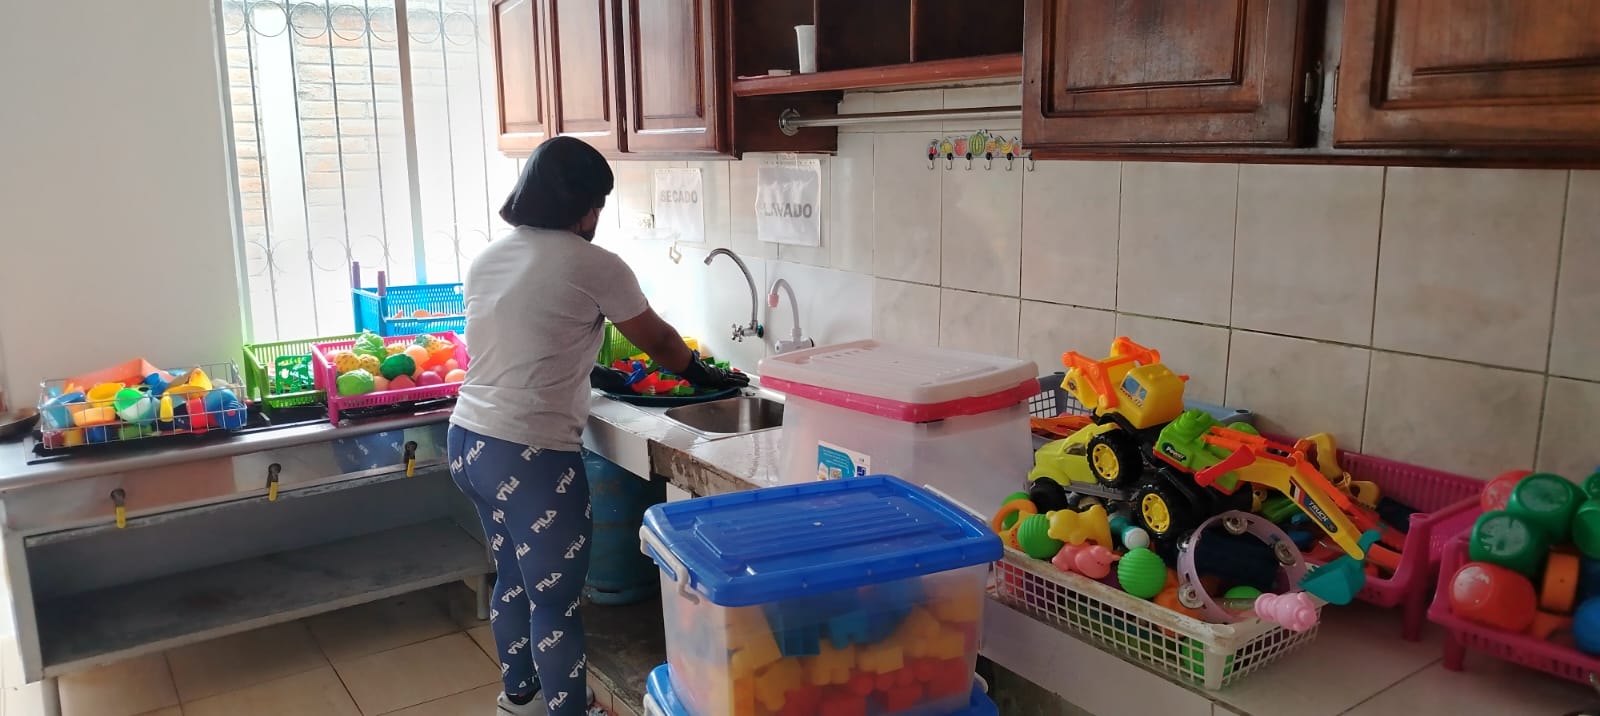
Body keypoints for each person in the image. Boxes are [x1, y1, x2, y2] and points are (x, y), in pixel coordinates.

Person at [447, 136, 747, 716]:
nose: (597, 217)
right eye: (597, 204)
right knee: (556, 603)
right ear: (580, 204)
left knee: (512, 578)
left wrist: (597, 371)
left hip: (469, 442)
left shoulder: (491, 257)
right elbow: (661, 342)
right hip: (529, 454)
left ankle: (520, 698)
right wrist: (704, 376)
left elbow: (531, 339)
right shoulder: (593, 263)